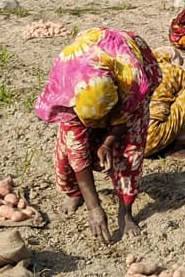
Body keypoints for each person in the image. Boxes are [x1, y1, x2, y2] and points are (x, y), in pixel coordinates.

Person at [34, 27, 162, 244]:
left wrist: (108, 143)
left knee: (131, 149)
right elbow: (78, 152)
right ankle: (75, 192)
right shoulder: (66, 87)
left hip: (126, 62)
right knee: (70, 147)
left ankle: (125, 210)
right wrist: (94, 207)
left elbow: (127, 118)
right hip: (85, 73)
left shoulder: (133, 83)